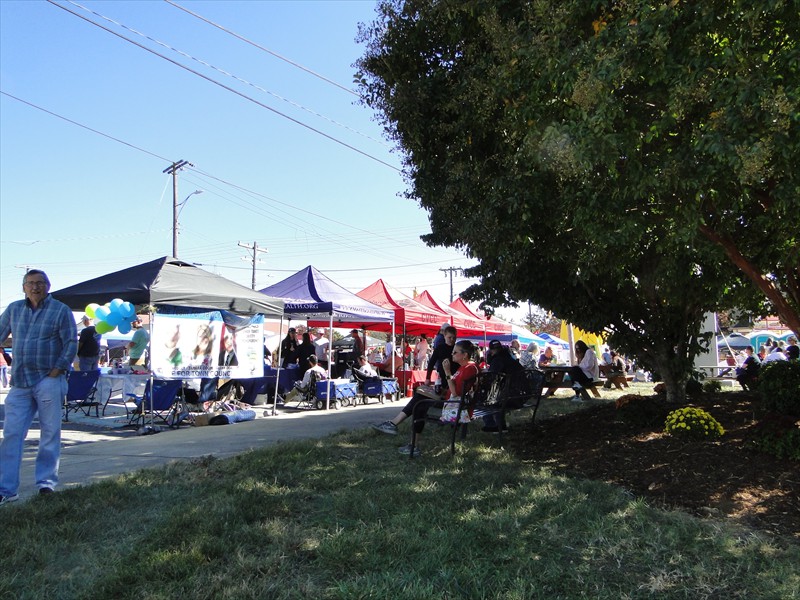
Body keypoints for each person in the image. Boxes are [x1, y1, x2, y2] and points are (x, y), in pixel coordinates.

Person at [0, 269, 77, 504]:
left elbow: (71, 342)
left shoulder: (60, 310)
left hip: (48, 379)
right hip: (20, 382)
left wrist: (58, 369)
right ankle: (7, 490)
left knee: (50, 432)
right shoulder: (14, 309)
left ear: (48, 286)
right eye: (31, 283)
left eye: (40, 283)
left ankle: (46, 484)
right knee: (12, 434)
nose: (35, 287)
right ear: (23, 287)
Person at [372, 339, 479, 456]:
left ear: (464, 355)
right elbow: (455, 388)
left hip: (457, 406)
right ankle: (396, 427)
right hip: (455, 401)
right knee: (420, 395)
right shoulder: (466, 367)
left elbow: (455, 393)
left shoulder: (469, 369)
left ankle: (407, 438)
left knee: (419, 405)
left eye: (455, 352)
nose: (451, 354)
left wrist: (447, 372)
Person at [482, 340, 525, 432]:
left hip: (510, 398)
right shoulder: (510, 359)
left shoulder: (497, 360)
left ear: (491, 351)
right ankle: (501, 425)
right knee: (497, 395)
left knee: (487, 397)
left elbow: (491, 379)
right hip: (521, 396)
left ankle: (491, 425)